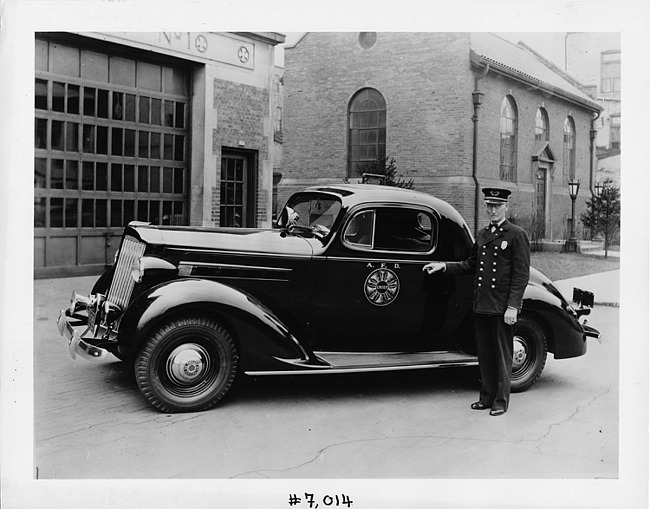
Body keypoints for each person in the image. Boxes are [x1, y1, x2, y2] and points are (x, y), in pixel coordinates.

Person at [423, 188, 530, 416]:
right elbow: (471, 264)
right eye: (489, 206)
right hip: (482, 305)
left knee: (502, 355)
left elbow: (521, 275)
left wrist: (513, 306)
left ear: (506, 207)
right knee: (484, 353)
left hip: (501, 307)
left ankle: (500, 401)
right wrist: (444, 266)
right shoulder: (482, 234)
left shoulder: (515, 235)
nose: (492, 210)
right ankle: (486, 396)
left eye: (497, 206)